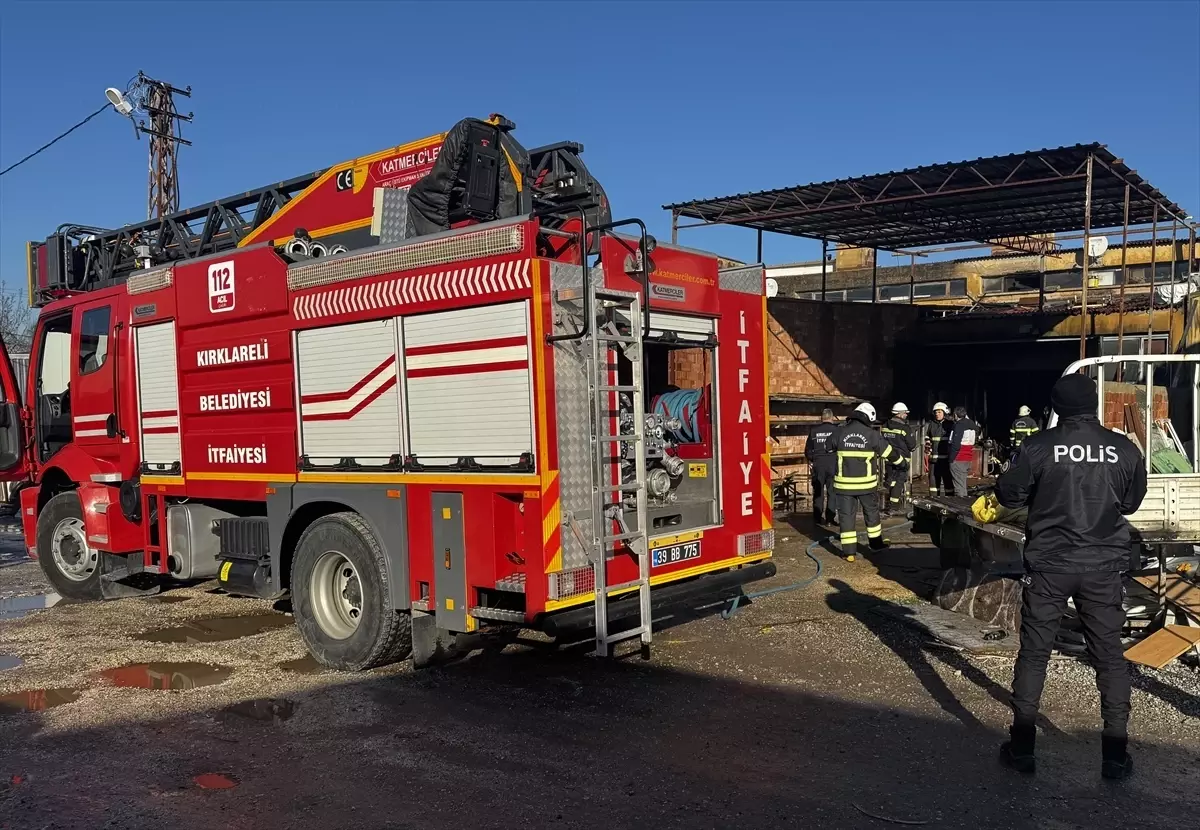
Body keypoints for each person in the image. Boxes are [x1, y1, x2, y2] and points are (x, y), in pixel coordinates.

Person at [990, 373, 1146, 779]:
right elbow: (1130, 504)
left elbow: (1009, 495)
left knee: (1035, 653)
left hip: (1050, 565)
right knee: (1109, 657)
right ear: (1093, 403)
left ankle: (1022, 748)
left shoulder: (1038, 447)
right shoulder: (1124, 449)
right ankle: (1115, 755)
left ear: (1056, 407)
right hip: (1104, 565)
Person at [833, 402, 905, 562]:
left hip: (844, 486)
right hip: (866, 486)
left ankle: (849, 553)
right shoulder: (872, 434)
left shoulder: (840, 432)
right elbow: (889, 453)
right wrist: (902, 462)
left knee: (846, 517)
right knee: (871, 515)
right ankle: (875, 545)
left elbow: (827, 447)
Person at [805, 409, 839, 525]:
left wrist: (812, 459)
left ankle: (817, 518)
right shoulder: (837, 430)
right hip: (833, 464)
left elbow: (808, 450)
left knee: (818, 492)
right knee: (832, 493)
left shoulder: (814, 431)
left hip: (818, 465)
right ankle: (830, 519)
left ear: (821, 418)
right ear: (832, 418)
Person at [881, 403, 915, 516]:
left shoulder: (885, 425)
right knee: (899, 482)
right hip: (902, 460)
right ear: (899, 414)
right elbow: (912, 445)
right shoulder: (905, 428)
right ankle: (893, 507)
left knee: (891, 480)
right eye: (905, 413)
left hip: (888, 458)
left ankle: (890, 504)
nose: (906, 415)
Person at [947, 405, 978, 498]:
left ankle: (960, 507)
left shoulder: (959, 425)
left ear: (956, 415)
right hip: (967, 458)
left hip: (958, 458)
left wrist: (951, 459)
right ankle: (964, 503)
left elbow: (956, 444)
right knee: (962, 484)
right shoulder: (971, 423)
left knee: (959, 488)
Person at [927, 402, 953, 496]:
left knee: (948, 483)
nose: (937, 414)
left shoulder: (950, 425)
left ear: (944, 413)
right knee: (933, 484)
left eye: (939, 412)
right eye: (936, 412)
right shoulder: (932, 424)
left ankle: (950, 502)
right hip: (934, 460)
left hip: (946, 460)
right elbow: (928, 438)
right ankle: (933, 500)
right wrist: (927, 450)